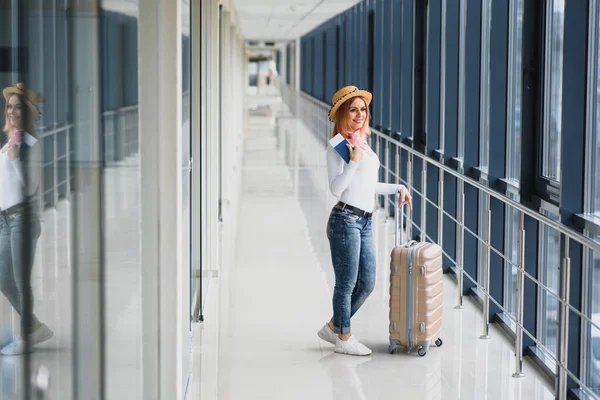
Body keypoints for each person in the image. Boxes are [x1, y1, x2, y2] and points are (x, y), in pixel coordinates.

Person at [317, 86, 412, 356]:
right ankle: (344, 337)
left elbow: (366, 185)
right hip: (345, 220)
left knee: (368, 282)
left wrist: (397, 188)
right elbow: (337, 188)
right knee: (346, 284)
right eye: (353, 109)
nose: (360, 114)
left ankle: (335, 325)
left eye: (363, 109)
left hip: (366, 220)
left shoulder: (361, 143)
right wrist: (353, 162)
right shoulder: (337, 146)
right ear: (342, 114)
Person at [0, 83, 53, 355]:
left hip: (22, 219)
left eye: (17, 106)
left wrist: (15, 159)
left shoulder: (31, 144)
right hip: (5, 220)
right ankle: (33, 326)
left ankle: (27, 333)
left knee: (20, 281)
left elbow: (30, 186)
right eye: (9, 106)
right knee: (3, 278)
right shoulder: (9, 142)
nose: (11, 110)